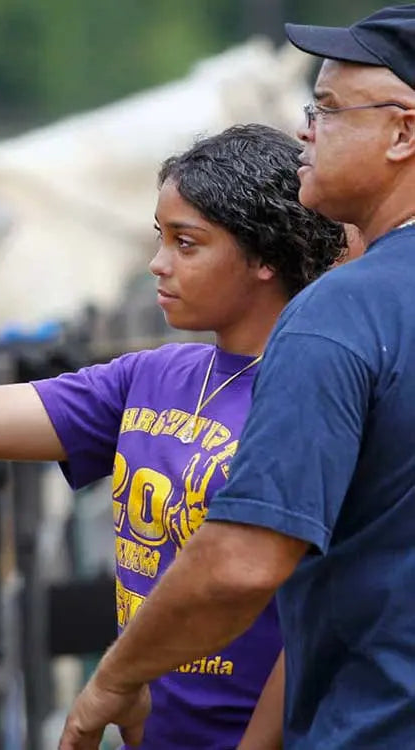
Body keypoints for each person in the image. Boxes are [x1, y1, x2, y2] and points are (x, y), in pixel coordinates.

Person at [0, 124, 345, 749]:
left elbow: (317, 612)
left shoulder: (316, 393)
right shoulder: (152, 374)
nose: (157, 263)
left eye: (186, 244)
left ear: (265, 257)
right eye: (160, 238)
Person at [53, 5, 415, 750]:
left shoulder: (338, 318)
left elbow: (241, 564)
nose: (305, 129)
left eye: (328, 109)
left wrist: (111, 683)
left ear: (404, 133)